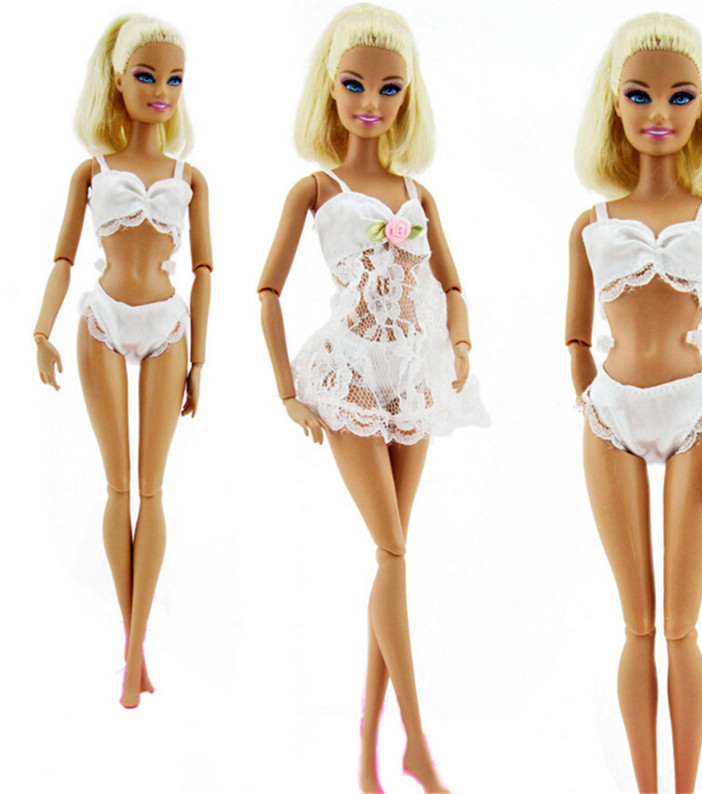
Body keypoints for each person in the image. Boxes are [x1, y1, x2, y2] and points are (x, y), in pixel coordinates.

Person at [257, 5, 486, 791]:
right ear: (329, 85)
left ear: (407, 95)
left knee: (392, 558)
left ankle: (367, 760)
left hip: (412, 378)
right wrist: (287, 392)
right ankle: (417, 742)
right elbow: (267, 290)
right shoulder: (315, 188)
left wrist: (461, 346)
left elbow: (451, 285)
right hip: (348, 376)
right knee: (392, 551)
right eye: (355, 83)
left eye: (389, 88)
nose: (370, 101)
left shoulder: (417, 192)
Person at [567, 13, 702, 792]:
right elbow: (575, 338)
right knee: (636, 624)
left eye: (679, 96)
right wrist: (592, 404)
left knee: (680, 626)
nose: (659, 113)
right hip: (611, 417)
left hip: (699, 416)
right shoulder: (591, 224)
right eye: (640, 95)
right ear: (614, 105)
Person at [34, 14, 212, 709]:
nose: (162, 90)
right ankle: (130, 652)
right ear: (116, 79)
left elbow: (205, 271)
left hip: (168, 325)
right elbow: (62, 257)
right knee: (118, 488)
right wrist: (41, 330)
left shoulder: (190, 176)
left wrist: (201, 361)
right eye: (146, 75)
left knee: (152, 490)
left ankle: (137, 654)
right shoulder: (93, 170)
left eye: (174, 78)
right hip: (103, 321)